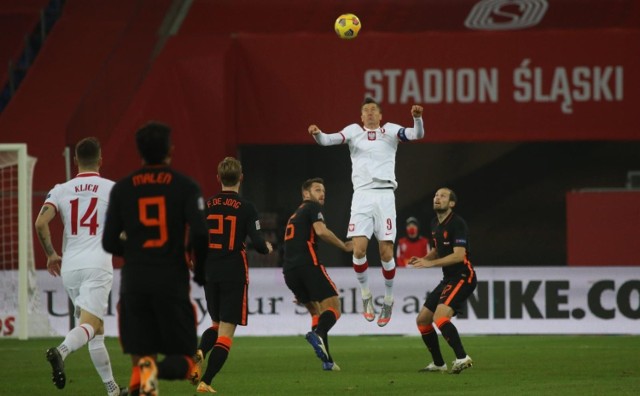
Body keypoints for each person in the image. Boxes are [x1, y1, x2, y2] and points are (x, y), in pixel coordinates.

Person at [102, 122, 209, 396]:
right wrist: (199, 271)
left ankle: (146, 377)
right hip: (170, 281)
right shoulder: (185, 186)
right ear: (170, 150)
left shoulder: (122, 189)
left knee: (142, 356)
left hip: (134, 282)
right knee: (187, 361)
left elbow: (108, 242)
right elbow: (199, 232)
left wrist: (136, 252)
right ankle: (151, 374)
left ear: (139, 151)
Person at [308, 98, 424, 327]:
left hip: (385, 196)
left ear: (380, 116)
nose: (370, 113)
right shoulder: (353, 131)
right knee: (359, 250)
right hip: (361, 196)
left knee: (386, 254)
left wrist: (417, 118)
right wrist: (316, 134)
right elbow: (327, 140)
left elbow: (416, 135)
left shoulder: (390, 131)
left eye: (373, 110)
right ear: (361, 117)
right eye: (366, 111)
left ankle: (388, 300)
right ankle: (366, 296)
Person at [35, 137, 126, 396]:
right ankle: (60, 351)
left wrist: (51, 254)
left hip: (70, 265)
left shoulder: (61, 189)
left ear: (75, 161)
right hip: (97, 263)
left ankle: (112, 390)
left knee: (95, 329)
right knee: (91, 324)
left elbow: (41, 224)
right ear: (101, 160)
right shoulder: (112, 189)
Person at [193, 157, 273, 393]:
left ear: (218, 178)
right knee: (226, 331)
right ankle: (206, 382)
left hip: (209, 270)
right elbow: (257, 243)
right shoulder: (247, 208)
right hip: (233, 271)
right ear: (241, 178)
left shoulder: (206, 205)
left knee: (216, 323)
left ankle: (199, 351)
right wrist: (266, 247)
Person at [283, 178, 353, 371]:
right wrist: (344, 246)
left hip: (289, 271)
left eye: (323, 190)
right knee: (334, 307)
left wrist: (299, 285)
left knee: (316, 311)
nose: (322, 193)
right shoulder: (311, 207)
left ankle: (328, 361)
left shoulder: (294, 215)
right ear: (306, 194)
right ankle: (319, 334)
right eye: (317, 189)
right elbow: (321, 232)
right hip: (309, 265)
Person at [409, 188, 477, 374]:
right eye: (436, 195)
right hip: (448, 278)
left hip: (463, 276)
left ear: (452, 203)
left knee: (440, 317)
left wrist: (429, 264)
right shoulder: (434, 224)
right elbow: (438, 250)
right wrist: (424, 258)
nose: (438, 198)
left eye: (443, 196)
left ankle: (462, 357)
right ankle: (439, 364)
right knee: (423, 320)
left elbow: (458, 256)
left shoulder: (457, 224)